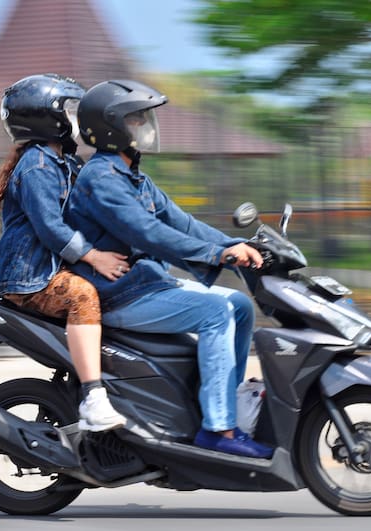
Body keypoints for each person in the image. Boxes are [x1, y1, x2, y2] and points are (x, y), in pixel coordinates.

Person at [65, 79, 273, 459]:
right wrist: (215, 255)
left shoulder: (133, 177)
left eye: (145, 118)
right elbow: (149, 233)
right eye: (137, 119)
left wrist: (235, 245)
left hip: (147, 284)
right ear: (111, 127)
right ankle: (219, 431)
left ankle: (227, 403)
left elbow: (182, 223)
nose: (147, 126)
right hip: (121, 293)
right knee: (215, 312)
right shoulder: (101, 179)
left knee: (240, 307)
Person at [0, 73, 129, 432]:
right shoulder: (37, 165)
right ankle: (95, 398)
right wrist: (95, 256)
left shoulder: (64, 161)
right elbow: (50, 227)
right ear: (46, 119)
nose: (78, 121)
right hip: (30, 275)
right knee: (83, 297)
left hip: (51, 266)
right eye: (70, 112)